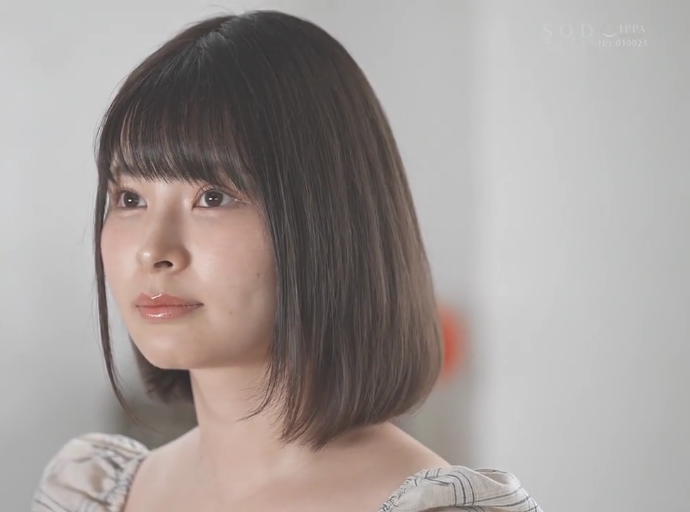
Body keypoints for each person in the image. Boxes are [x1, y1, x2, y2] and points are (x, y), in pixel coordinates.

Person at [32, 10, 542, 512]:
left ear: (328, 218)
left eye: (212, 197)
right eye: (129, 199)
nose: (153, 250)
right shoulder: (88, 495)